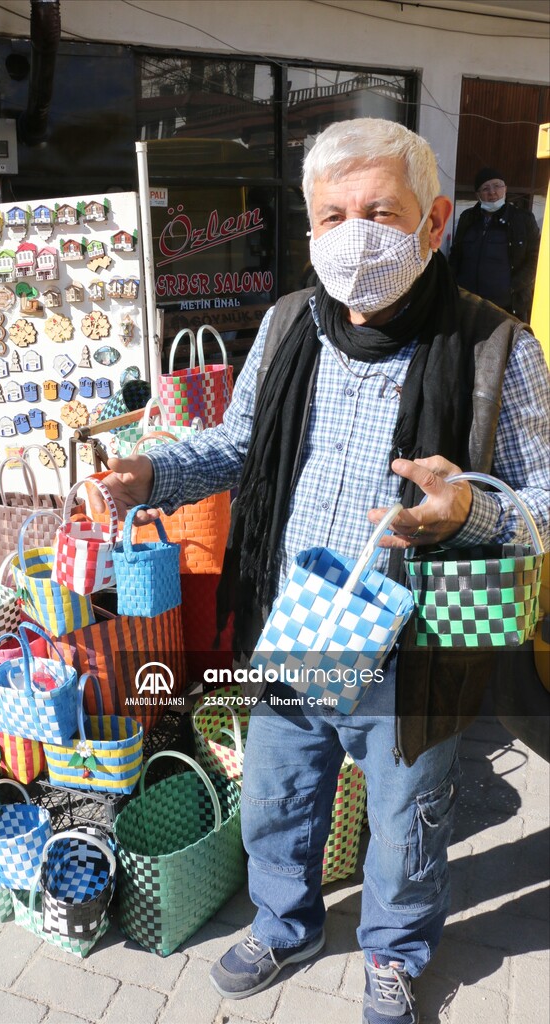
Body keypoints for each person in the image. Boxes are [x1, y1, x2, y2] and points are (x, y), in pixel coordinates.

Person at [99, 119, 550, 1023]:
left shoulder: (497, 345)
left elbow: (543, 497)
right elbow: (235, 447)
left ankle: (395, 950)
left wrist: (469, 510)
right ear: (309, 229)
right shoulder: (283, 324)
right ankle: (285, 921)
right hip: (294, 616)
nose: (354, 235)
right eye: (332, 215)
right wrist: (152, 473)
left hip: (414, 639)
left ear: (430, 225)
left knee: (404, 822)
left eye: (377, 211)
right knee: (277, 795)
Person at [448, 166, 540, 321]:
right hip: (468, 304)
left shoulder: (523, 219)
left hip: (507, 307)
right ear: (478, 195)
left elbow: (535, 258)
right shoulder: (467, 218)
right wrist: (453, 284)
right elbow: (456, 254)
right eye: (485, 188)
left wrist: (512, 287)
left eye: (497, 186)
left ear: (505, 188)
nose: (492, 192)